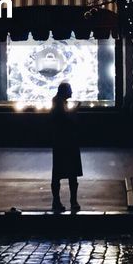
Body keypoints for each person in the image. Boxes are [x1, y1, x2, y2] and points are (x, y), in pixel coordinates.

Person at [50, 82, 81, 213]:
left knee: (59, 174)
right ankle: (71, 201)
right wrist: (75, 111)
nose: (72, 93)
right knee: (70, 174)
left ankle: (58, 201)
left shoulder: (58, 102)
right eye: (70, 90)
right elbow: (66, 119)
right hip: (66, 143)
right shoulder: (59, 103)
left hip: (61, 142)